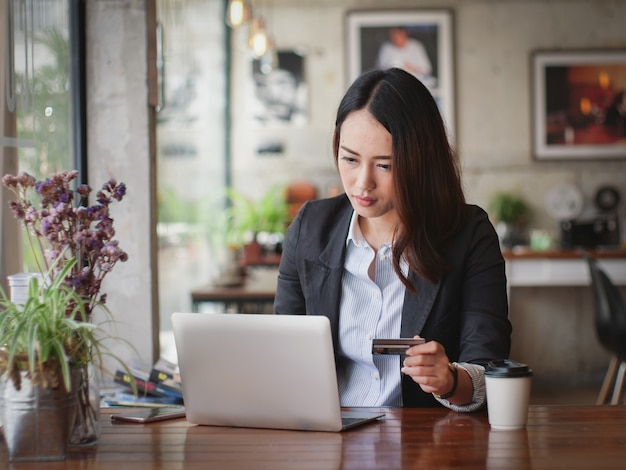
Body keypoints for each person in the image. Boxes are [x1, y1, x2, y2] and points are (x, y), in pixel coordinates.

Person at [274, 68, 511, 410]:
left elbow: (488, 370)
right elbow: (283, 350)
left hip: (426, 448)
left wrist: (449, 380)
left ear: (420, 161)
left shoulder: (468, 233)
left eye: (384, 165)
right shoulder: (311, 228)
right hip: (328, 436)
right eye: (350, 159)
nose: (362, 184)